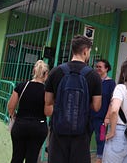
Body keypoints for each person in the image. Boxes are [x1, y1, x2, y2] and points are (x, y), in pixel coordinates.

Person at [44, 35, 102, 163]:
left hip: (58, 131)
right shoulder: (93, 76)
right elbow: (97, 106)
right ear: (85, 51)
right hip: (81, 132)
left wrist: (62, 102)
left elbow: (48, 101)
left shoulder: (55, 72)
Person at [7, 60, 49, 163]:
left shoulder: (22, 86)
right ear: (46, 74)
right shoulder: (47, 91)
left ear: (34, 71)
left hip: (21, 125)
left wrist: (14, 115)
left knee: (17, 157)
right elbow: (48, 112)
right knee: (32, 158)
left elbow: (11, 106)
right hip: (38, 127)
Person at [90, 59, 116, 163]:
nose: (97, 69)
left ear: (106, 69)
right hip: (89, 116)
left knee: (101, 139)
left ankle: (99, 159)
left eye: (100, 67)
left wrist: (107, 117)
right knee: (84, 137)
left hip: (101, 119)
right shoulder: (93, 81)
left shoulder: (110, 83)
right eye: (96, 67)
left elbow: (112, 101)